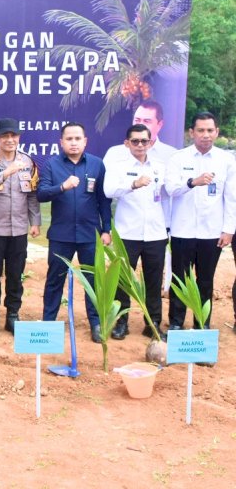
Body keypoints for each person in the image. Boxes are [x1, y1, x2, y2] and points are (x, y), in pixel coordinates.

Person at [37, 122, 112, 343]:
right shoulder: (51, 165)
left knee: (92, 280)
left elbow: (103, 201)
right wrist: (63, 187)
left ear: (85, 141)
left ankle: (96, 323)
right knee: (54, 280)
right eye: (68, 139)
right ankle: (48, 323)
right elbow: (41, 194)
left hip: (90, 235)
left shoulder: (97, 165)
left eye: (77, 138)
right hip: (61, 235)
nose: (73, 142)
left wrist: (106, 229)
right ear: (61, 142)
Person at [165, 112, 236, 330]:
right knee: (179, 279)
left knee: (205, 281)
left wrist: (228, 230)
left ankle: (202, 323)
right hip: (182, 231)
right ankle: (176, 323)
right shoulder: (178, 158)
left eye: (209, 130)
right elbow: (171, 189)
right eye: (200, 130)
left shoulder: (226, 160)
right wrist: (192, 182)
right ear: (191, 132)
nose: (205, 135)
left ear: (216, 132)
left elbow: (231, 197)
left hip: (211, 232)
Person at [103, 124, 169, 339]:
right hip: (127, 234)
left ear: (150, 143)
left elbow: (169, 194)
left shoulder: (160, 166)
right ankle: (121, 322)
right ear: (126, 143)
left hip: (156, 233)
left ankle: (153, 323)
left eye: (144, 141)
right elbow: (109, 190)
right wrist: (133, 183)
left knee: (153, 281)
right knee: (124, 281)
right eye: (135, 141)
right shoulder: (119, 165)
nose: (140, 145)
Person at [0, 118, 41, 336]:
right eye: (5, 136)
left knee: (16, 273)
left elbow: (32, 195)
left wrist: (35, 222)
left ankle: (13, 314)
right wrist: (6, 172)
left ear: (19, 138)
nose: (10, 140)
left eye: (13, 136)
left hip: (19, 230)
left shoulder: (28, 162)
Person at [103, 100, 176, 165]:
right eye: (137, 120)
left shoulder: (172, 155)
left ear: (159, 125)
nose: (140, 125)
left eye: (146, 121)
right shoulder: (114, 154)